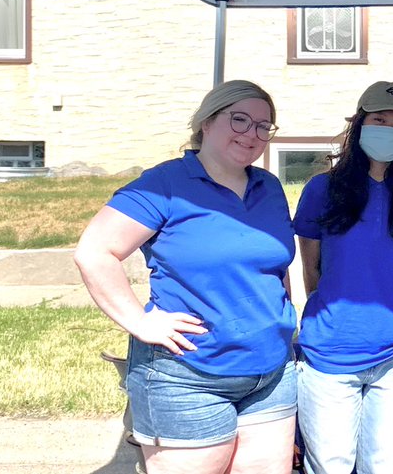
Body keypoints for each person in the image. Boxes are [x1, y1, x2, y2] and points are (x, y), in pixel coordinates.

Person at [74, 80, 296, 474]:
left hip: (271, 373)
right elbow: (95, 252)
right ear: (206, 123)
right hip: (188, 375)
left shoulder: (269, 186)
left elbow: (273, 267)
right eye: (239, 120)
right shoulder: (166, 185)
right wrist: (139, 322)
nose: (252, 134)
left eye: (264, 126)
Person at [293, 81, 393, 474]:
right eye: (380, 119)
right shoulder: (323, 189)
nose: (390, 129)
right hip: (329, 355)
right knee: (331, 466)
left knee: (383, 466)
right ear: (359, 125)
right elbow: (311, 268)